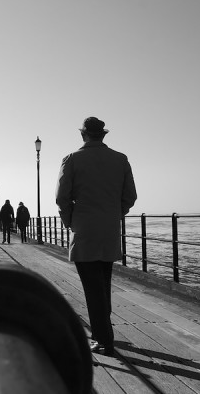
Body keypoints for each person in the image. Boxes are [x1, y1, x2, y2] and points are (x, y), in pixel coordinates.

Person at [55, 117, 137, 357]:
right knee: (102, 284)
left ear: (83, 134)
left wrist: (71, 221)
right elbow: (130, 196)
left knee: (92, 287)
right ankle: (104, 333)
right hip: (109, 230)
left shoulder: (71, 160)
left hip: (85, 230)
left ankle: (103, 340)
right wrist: (114, 214)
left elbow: (61, 198)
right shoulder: (120, 160)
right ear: (103, 135)